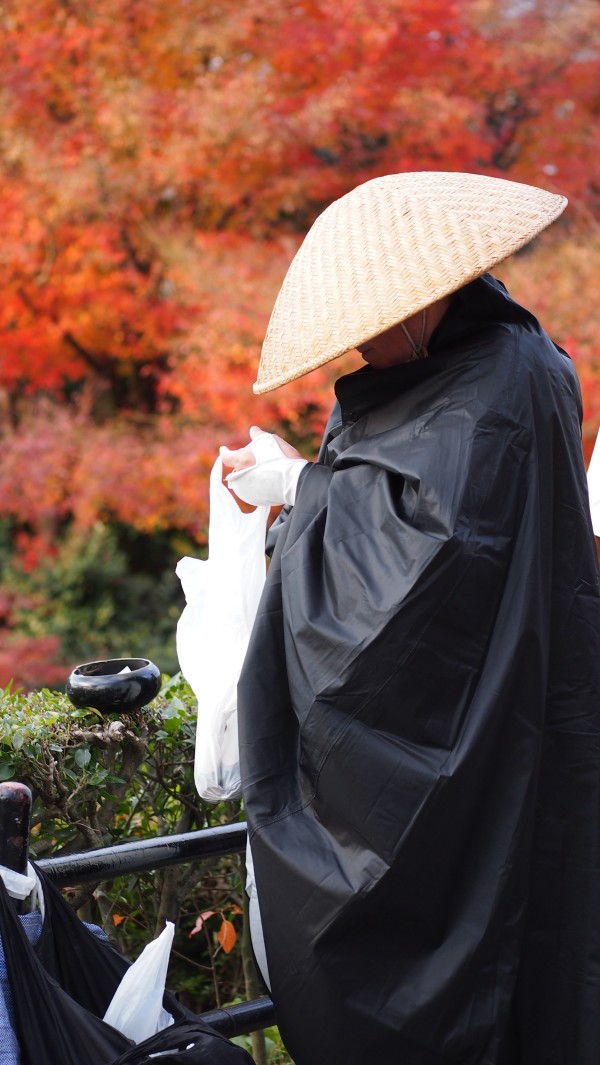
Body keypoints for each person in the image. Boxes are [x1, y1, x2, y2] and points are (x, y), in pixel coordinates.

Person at [220, 172, 600, 1065]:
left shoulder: (500, 383)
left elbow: (430, 560)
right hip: (524, 710)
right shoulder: (503, 361)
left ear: (422, 302)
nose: (358, 353)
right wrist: (311, 490)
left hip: (493, 719)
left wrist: (298, 491)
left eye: (365, 332)